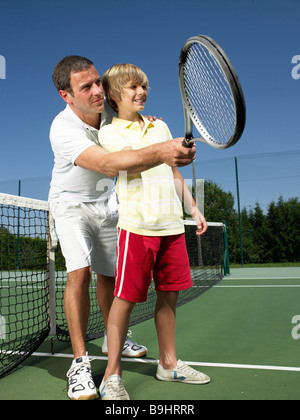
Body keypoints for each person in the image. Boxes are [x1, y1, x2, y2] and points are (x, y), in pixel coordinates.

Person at [49, 56, 196, 400]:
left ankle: (114, 338)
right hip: (71, 204)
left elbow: (134, 123)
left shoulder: (112, 116)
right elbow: (109, 163)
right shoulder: (63, 128)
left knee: (110, 277)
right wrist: (162, 148)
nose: (97, 90)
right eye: (86, 87)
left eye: (98, 82)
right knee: (79, 273)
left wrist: (150, 126)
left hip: (106, 204)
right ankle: (80, 360)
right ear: (66, 95)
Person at [98, 63, 210, 400]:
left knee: (170, 296)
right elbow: (130, 161)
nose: (141, 92)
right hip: (137, 227)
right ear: (114, 96)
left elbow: (173, 171)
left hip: (171, 226)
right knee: (125, 300)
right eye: (132, 87)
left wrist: (192, 207)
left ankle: (168, 363)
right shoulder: (110, 132)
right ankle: (111, 375)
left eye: (143, 86)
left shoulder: (160, 126)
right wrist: (163, 151)